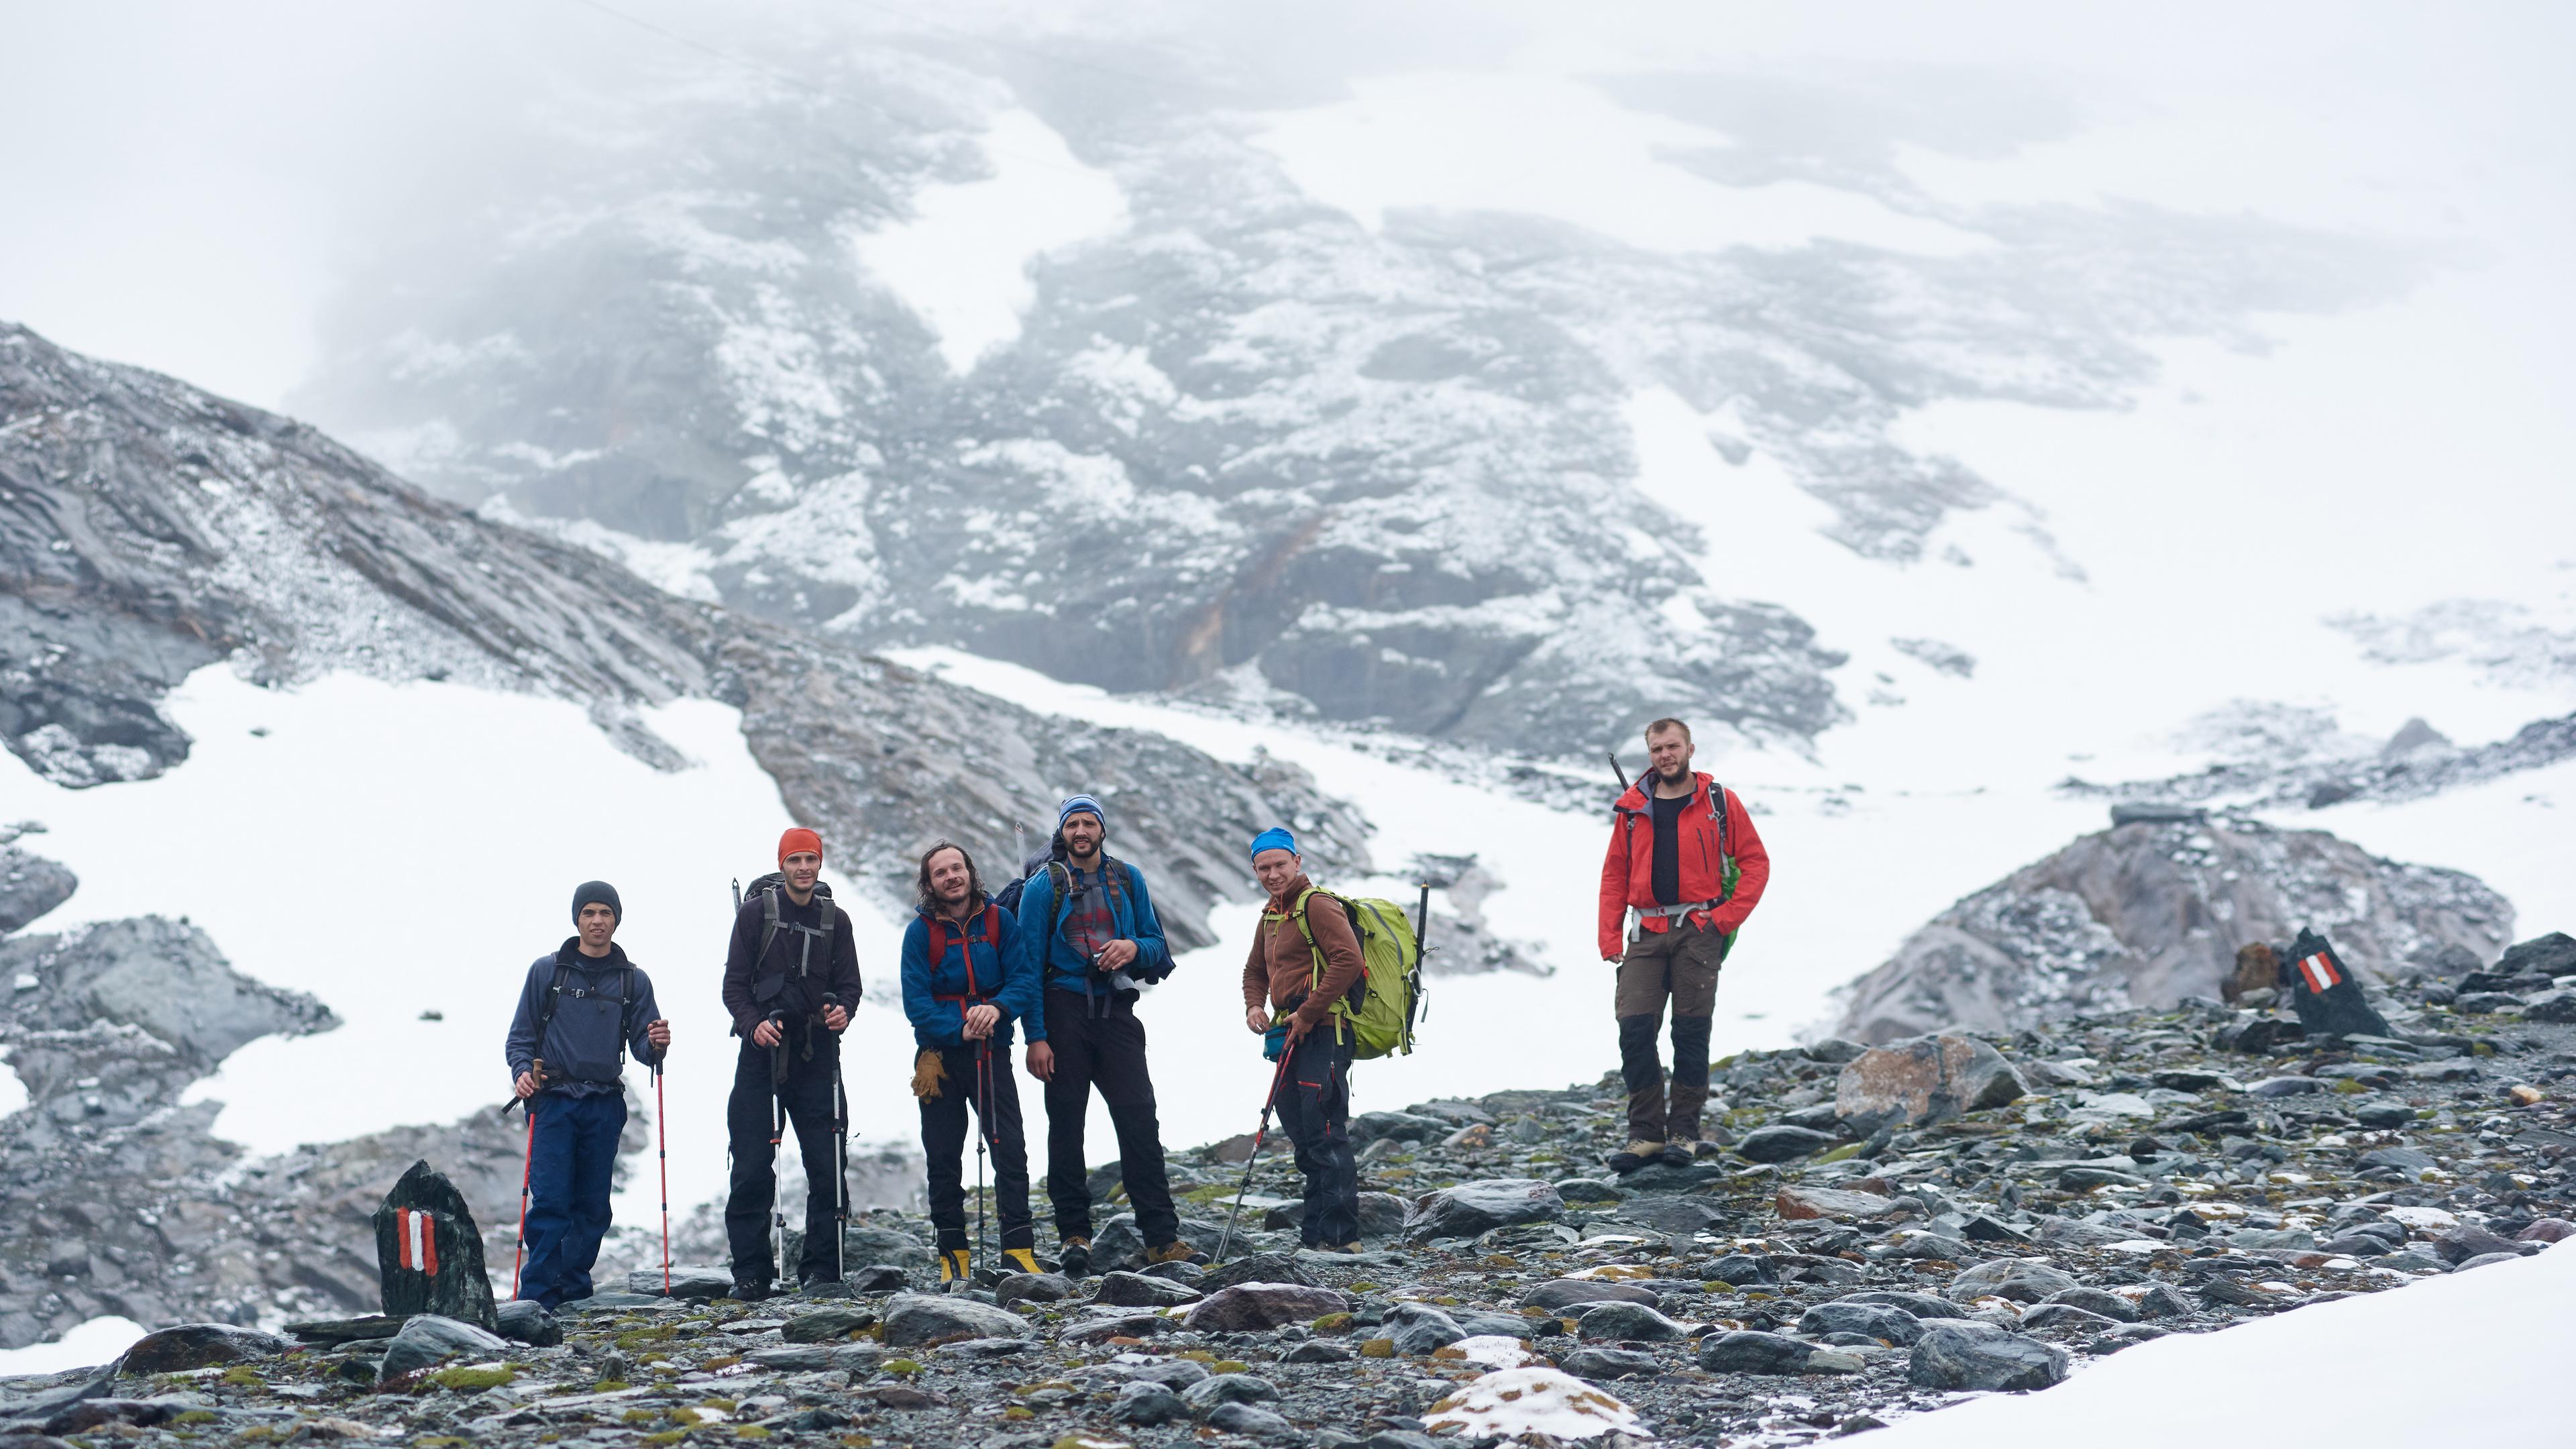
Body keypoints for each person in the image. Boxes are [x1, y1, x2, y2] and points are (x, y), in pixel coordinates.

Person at [1010, 794, 1195, 1273]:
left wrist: (1131, 946)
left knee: (1139, 1120)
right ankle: (1075, 1235)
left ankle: (1162, 1238)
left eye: (1089, 823)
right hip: (1062, 1011)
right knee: (1066, 1126)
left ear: (1102, 830)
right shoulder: (1042, 887)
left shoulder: (1127, 878)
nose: (1081, 832)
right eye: (1073, 825)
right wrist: (1036, 1036)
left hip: (1117, 1012)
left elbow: (1156, 944)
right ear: (1063, 833)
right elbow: (1027, 968)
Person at [1597, 717, 1771, 1174]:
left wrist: (1724, 919)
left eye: (1672, 746)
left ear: (1690, 749)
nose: (1665, 755)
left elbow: (1755, 862)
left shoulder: (1718, 801)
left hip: (1699, 930)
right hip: (1645, 932)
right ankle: (1645, 1135)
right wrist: (1609, 934)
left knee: (1690, 1033)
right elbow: (1615, 872)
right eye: (1656, 749)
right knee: (1635, 1029)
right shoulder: (1634, 807)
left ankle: (1684, 1133)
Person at [504, 881, 672, 1309]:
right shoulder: (548, 971)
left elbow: (642, 1048)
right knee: (552, 1201)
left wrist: (657, 1044)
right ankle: (538, 1297)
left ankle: (575, 1289)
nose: (597, 921)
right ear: (577, 918)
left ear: (617, 919)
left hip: (603, 1103)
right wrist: (523, 1073)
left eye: (605, 913)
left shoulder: (633, 980)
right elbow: (521, 1037)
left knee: (594, 1206)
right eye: (589, 913)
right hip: (553, 1100)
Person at [720, 828, 863, 1297]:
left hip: (817, 1052)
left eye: (811, 859)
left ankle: (822, 1271)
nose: (804, 867)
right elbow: (734, 987)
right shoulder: (755, 914)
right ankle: (751, 1274)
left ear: (820, 865)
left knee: (827, 1165)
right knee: (751, 1165)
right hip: (761, 1050)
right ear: (782, 865)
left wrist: (843, 1011)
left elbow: (850, 987)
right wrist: (752, 1024)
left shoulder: (836, 921)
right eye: (796, 859)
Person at [901, 840, 1042, 1283]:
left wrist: (996, 1009)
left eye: (957, 868)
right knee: (943, 1155)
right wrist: (962, 1022)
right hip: (938, 1057)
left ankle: (1019, 1249)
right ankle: (952, 1256)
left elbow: (1023, 979)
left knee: (1010, 1147)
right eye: (940, 872)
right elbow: (916, 1003)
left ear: (970, 871)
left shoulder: (1000, 921)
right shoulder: (920, 933)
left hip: (992, 1050)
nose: (951, 877)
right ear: (930, 883)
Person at [1240, 828, 1365, 1252]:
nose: (1273, 874)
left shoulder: (1318, 904)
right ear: (1254, 869)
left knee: (1326, 1130)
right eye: (1264, 867)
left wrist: (1308, 1013)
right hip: (1292, 1031)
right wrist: (1255, 1006)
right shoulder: (1272, 914)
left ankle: (1342, 1239)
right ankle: (1316, 1238)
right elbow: (1254, 971)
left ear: (1297, 861)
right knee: (1302, 1131)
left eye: (1280, 865)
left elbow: (1350, 960)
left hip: (1325, 1029)